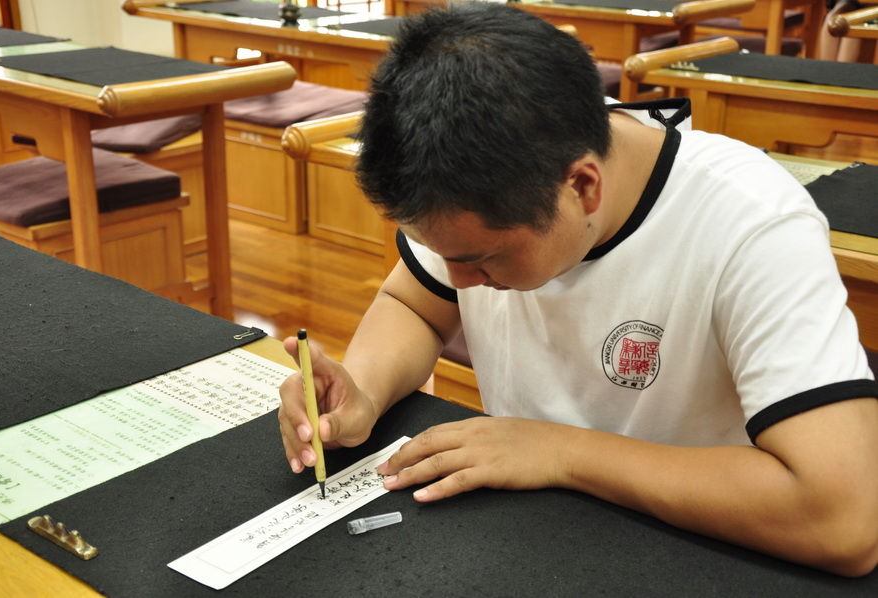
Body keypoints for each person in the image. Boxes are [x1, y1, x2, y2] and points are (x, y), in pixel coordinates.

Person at [278, 2, 878, 576]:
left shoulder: (752, 223)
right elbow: (414, 304)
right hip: (527, 536)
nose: (459, 283)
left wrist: (560, 452)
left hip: (702, 549)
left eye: (480, 259)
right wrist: (364, 390)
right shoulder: (489, 167)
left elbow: (844, 520)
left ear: (583, 187)